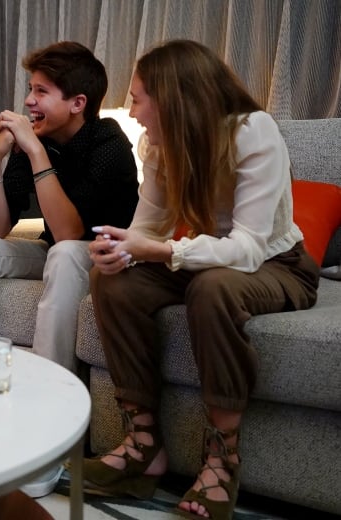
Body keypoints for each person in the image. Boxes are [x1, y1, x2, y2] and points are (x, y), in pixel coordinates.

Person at [83, 40, 319, 520]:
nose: (133, 110)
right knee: (114, 283)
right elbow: (146, 228)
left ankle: (222, 458)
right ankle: (143, 446)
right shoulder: (161, 144)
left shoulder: (254, 132)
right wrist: (119, 251)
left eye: (138, 97)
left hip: (277, 264)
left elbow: (249, 246)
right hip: (208, 257)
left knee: (211, 288)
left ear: (172, 97)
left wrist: (165, 249)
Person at [0, 41, 139, 371]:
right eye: (30, 89)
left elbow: (68, 233)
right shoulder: (39, 137)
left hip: (111, 256)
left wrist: (35, 151)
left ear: (78, 103)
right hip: (57, 250)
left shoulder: (107, 140)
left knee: (63, 254)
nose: (28, 101)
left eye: (41, 91)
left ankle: (51, 384)